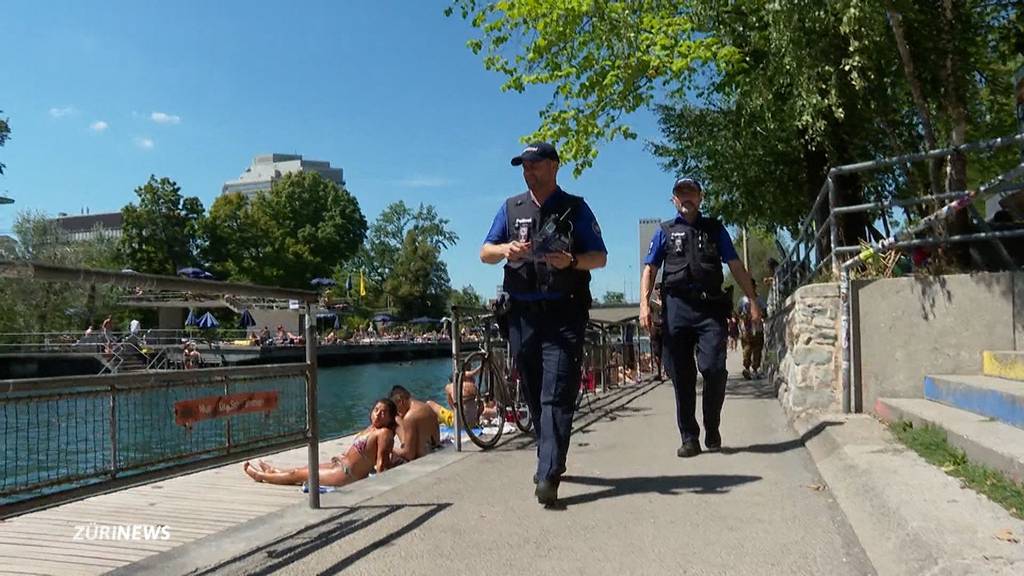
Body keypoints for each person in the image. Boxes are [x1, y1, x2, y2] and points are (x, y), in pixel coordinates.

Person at [480, 141, 607, 506]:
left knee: (557, 393)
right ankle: (548, 454)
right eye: (524, 165)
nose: (528, 170)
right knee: (534, 393)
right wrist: (505, 250)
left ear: (554, 166)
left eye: (535, 164)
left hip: (564, 311)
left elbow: (599, 257)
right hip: (522, 314)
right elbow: (484, 251)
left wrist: (571, 262)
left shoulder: (575, 208)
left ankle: (549, 473)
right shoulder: (510, 208)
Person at [639, 177, 762, 458]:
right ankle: (689, 437)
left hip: (709, 308)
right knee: (682, 376)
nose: (686, 198)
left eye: (691, 192)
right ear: (673, 200)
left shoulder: (714, 230)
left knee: (714, 368)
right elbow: (650, 269)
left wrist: (753, 300)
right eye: (681, 193)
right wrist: (644, 305)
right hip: (677, 308)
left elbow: (735, 265)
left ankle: (712, 425)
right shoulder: (664, 232)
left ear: (700, 197)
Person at [243, 398, 397, 486]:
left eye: (384, 413)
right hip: (339, 465)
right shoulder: (372, 428)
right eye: (376, 410)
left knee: (297, 474)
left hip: (346, 475)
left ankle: (261, 476)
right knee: (302, 469)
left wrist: (379, 489)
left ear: (390, 418)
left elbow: (381, 464)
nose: (378, 415)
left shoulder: (384, 433)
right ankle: (273, 471)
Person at [388, 386, 440, 464]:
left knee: (391, 458)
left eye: (396, 409)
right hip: (436, 450)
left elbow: (409, 455)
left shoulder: (409, 417)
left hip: (424, 459)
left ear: (400, 401)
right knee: (397, 420)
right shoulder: (426, 407)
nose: (398, 412)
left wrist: (390, 449)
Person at [738, 282, 767, 380]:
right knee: (747, 349)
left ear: (755, 287)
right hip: (747, 330)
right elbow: (739, 313)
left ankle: (755, 369)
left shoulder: (760, 299)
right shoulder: (742, 300)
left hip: (758, 328)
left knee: (758, 349)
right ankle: (746, 368)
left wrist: (759, 315)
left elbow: (765, 313)